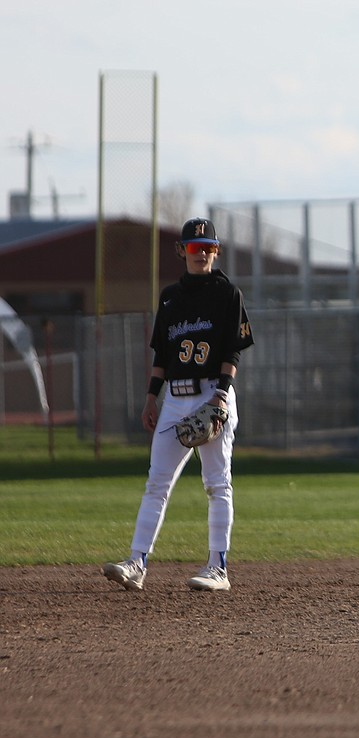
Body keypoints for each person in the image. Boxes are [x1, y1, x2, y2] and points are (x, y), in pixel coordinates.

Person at [103, 217, 255, 592]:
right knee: (157, 482)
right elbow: (163, 355)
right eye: (193, 247)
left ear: (216, 252)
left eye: (207, 248)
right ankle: (137, 562)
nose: (200, 253)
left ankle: (218, 567)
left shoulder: (228, 294)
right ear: (181, 251)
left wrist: (221, 395)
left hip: (211, 394)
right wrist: (151, 397)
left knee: (217, 483)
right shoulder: (170, 297)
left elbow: (232, 350)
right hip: (175, 398)